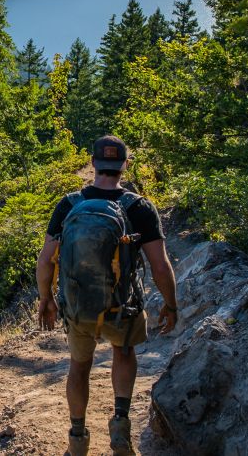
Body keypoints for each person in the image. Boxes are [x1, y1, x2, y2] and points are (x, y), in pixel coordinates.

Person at [36, 135, 179, 456]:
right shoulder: (139, 208)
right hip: (122, 305)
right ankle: (120, 424)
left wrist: (46, 299)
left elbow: (46, 260)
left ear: (93, 164)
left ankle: (76, 437)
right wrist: (171, 304)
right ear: (125, 165)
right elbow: (160, 265)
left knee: (79, 366)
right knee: (124, 352)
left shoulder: (69, 204)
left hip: (77, 306)